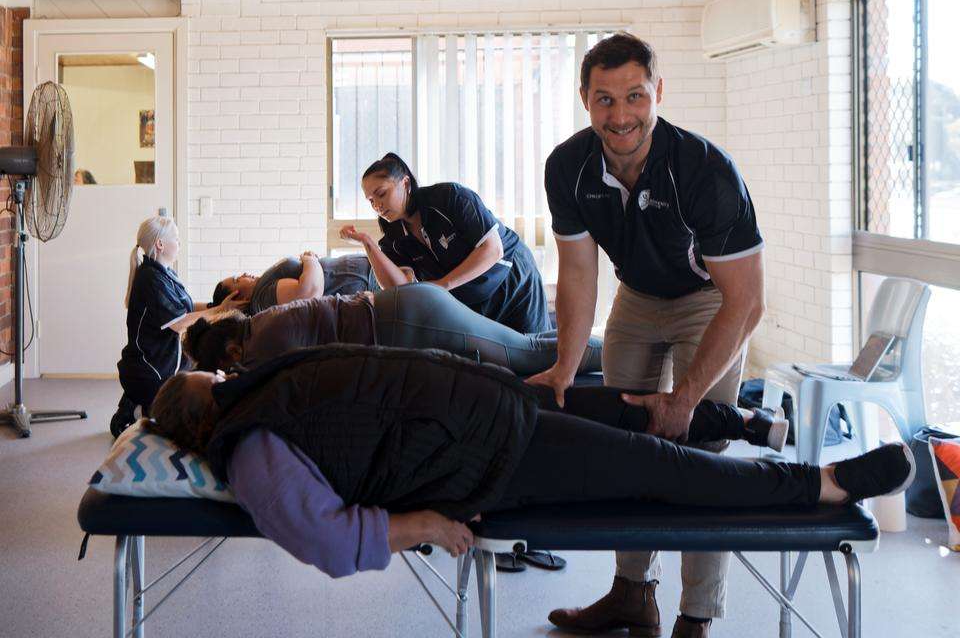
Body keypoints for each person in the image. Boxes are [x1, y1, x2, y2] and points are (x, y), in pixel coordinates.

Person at [144, 344, 914, 583]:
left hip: (491, 407)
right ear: (202, 407)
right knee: (654, 465)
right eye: (210, 379)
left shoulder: (261, 394)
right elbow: (322, 537)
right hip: (490, 455)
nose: (221, 373)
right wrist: (423, 525)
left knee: (630, 402)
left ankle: (751, 423)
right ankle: (822, 482)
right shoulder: (250, 450)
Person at [528, 34, 766, 637]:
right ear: (585, 100)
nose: (621, 114)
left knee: (698, 452)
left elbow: (747, 301)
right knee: (625, 440)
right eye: (604, 99)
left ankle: (696, 617)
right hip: (636, 295)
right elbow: (578, 275)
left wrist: (685, 397)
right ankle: (632, 593)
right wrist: (564, 365)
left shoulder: (705, 171)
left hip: (708, 301)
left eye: (635, 96)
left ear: (657, 92)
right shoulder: (568, 167)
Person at [184, 282, 602, 377]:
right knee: (525, 347)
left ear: (231, 353)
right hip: (405, 309)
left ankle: (622, 353)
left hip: (407, 320)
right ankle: (613, 348)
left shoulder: (262, 348)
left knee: (524, 357)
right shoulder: (261, 325)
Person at [340, 153, 550, 334]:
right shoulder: (393, 235)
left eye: (381, 194)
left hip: (512, 277)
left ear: (405, 183)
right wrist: (368, 244)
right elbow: (400, 287)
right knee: (493, 367)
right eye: (370, 200)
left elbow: (493, 249)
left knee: (535, 351)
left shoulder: (449, 197)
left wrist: (442, 285)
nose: (377, 205)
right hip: (471, 296)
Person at [110, 217, 245, 438]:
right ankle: (131, 409)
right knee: (170, 426)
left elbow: (186, 310)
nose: (180, 243)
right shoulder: (151, 279)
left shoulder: (164, 273)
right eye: (176, 238)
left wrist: (218, 307)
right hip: (150, 369)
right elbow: (179, 323)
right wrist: (220, 311)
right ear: (160, 244)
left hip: (164, 361)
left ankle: (135, 403)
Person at [210, 252, 379, 315]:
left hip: (368, 274)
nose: (244, 275)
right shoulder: (262, 298)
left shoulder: (263, 291)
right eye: (236, 280)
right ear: (237, 297)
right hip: (367, 284)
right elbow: (309, 292)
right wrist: (310, 260)